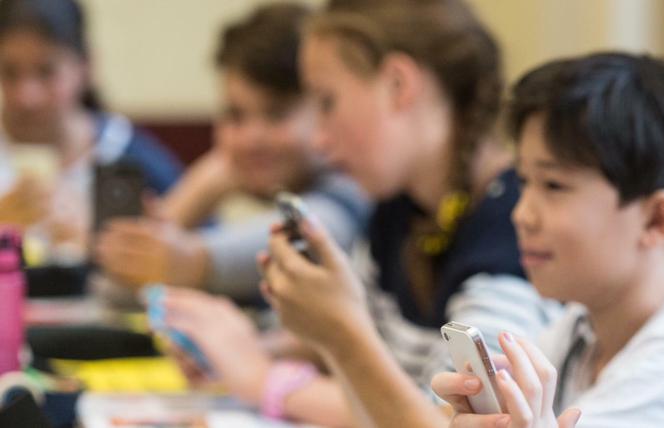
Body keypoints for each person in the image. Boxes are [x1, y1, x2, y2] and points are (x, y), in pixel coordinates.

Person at [253, 0, 558, 425]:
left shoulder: (514, 234)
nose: (319, 142)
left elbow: (446, 419)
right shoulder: (396, 210)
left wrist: (264, 373)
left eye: (327, 102)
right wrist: (256, 344)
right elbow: (370, 351)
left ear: (398, 84)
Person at [432, 53, 664, 428]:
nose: (521, 214)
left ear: (656, 219)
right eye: (524, 181)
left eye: (554, 185)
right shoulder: (578, 329)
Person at [93, 2, 368, 298]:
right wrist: (204, 186)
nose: (251, 138)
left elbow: (325, 229)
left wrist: (194, 261)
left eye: (276, 114)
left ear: (323, 109)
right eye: (235, 116)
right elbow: (116, 291)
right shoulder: (239, 178)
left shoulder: (356, 185)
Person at [0, 0, 181, 264]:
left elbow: (195, 245)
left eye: (46, 72)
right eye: (10, 72)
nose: (27, 96)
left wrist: (99, 244)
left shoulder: (128, 154)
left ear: (86, 67)